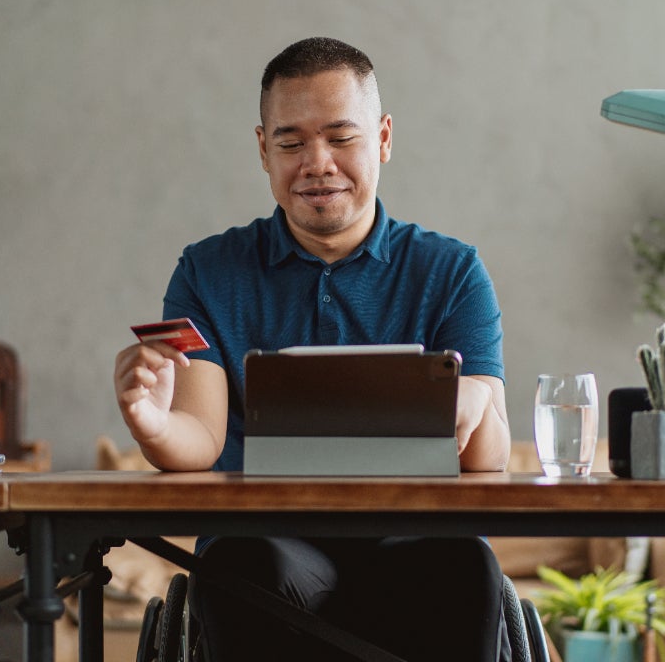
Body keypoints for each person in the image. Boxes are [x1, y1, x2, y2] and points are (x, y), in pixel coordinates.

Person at [113, 37, 511, 661]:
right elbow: (200, 437)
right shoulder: (208, 271)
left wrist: (471, 402)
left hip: (415, 540)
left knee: (464, 562)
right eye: (291, 142)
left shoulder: (452, 271)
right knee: (242, 563)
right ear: (263, 150)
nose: (316, 163)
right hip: (266, 543)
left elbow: (489, 459)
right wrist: (153, 425)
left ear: (382, 139)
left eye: (340, 138)